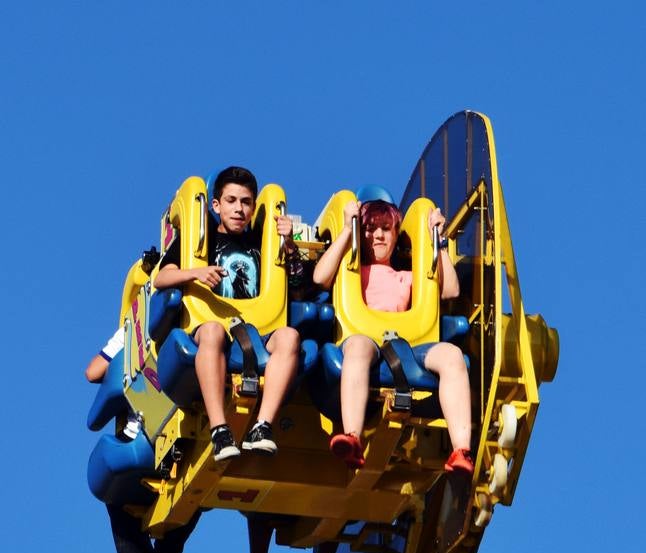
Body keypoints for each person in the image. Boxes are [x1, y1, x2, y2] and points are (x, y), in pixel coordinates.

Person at [313, 198, 474, 473]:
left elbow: (451, 291)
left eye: (386, 229)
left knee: (452, 355)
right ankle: (353, 435)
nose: (377, 235)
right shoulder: (349, 269)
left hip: (408, 344)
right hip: (366, 339)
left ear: (396, 234)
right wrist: (346, 231)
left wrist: (440, 241)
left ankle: (461, 449)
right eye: (370, 228)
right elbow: (319, 278)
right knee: (358, 348)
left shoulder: (406, 277)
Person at [154, 165, 303, 462]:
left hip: (258, 326)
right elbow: (161, 278)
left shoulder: (262, 243)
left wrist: (290, 244)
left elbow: (298, 286)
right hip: (213, 323)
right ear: (216, 205)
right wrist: (196, 272)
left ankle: (263, 426)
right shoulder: (201, 238)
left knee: (290, 336)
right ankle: (220, 429)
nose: (238, 209)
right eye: (232, 201)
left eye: (246, 202)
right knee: (212, 331)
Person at [86, 330, 200, 553]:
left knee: (184, 487)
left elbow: (94, 371)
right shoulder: (139, 325)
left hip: (163, 433)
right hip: (160, 433)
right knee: (185, 491)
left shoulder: (146, 324)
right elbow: (93, 371)